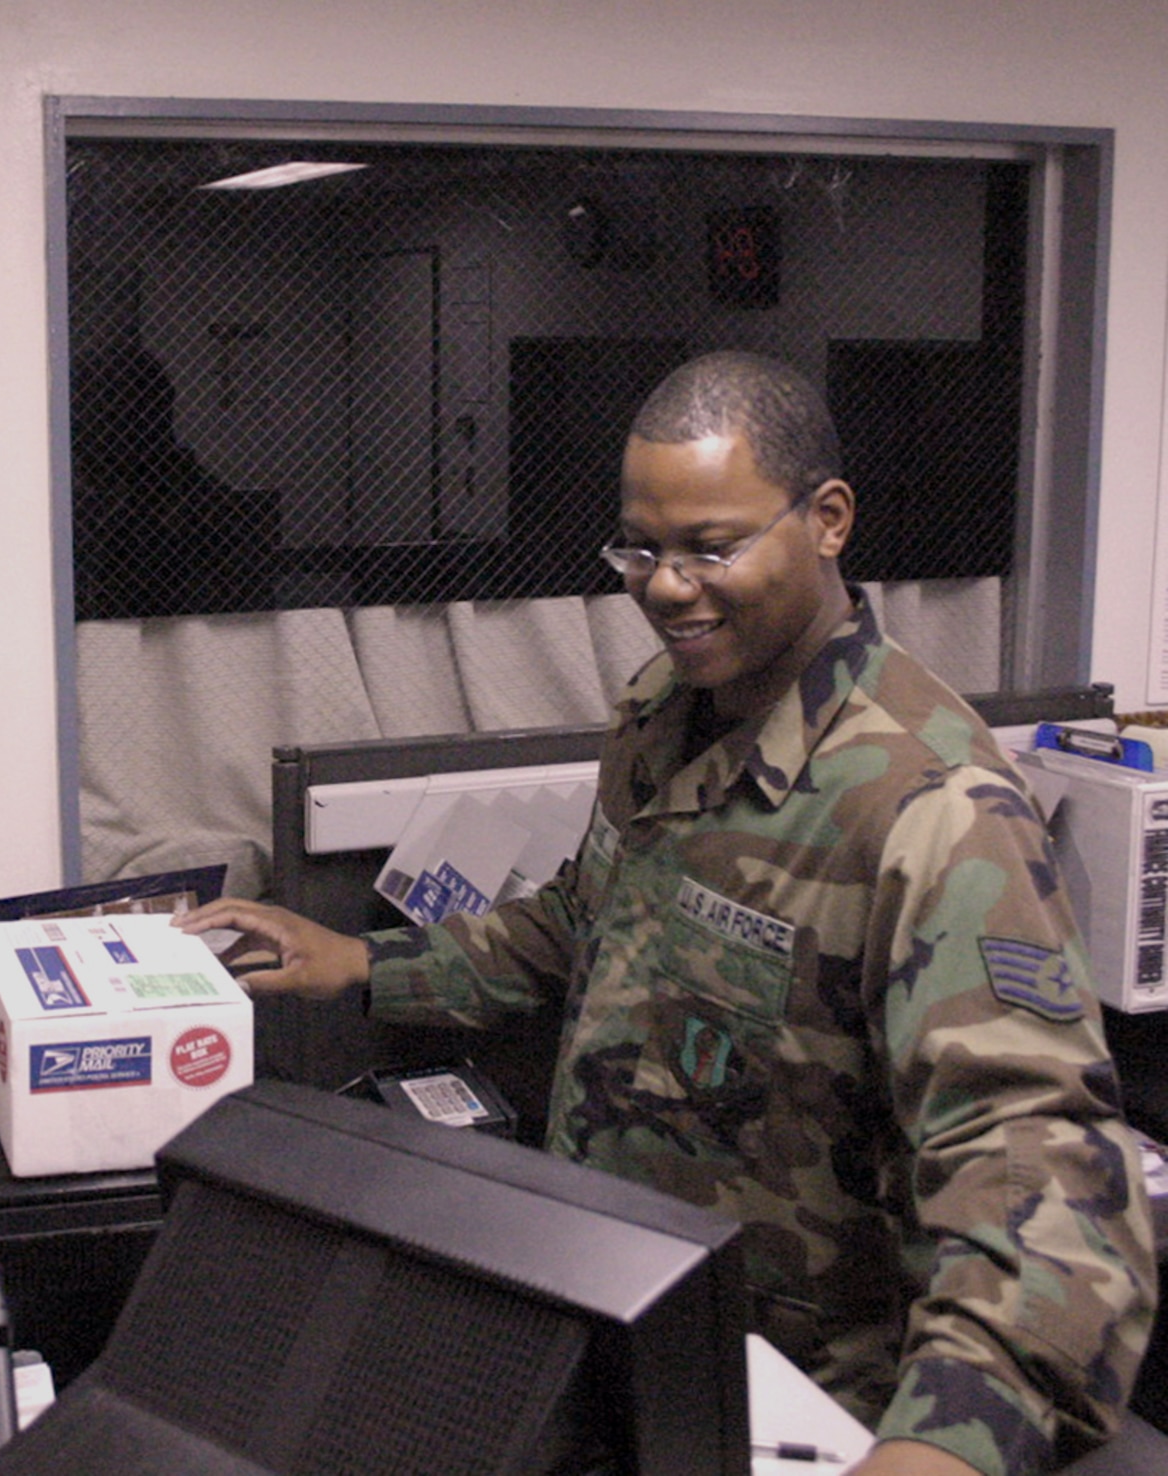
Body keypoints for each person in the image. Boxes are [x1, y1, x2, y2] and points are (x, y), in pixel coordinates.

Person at [178, 351, 1157, 1476]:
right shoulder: (661, 712)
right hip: (616, 1321)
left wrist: (939, 1449)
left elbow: (1040, 1167)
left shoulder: (928, 807)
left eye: (710, 546)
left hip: (797, 1408)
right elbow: (584, 925)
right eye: (638, 549)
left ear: (827, 519)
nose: (663, 586)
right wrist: (355, 959)